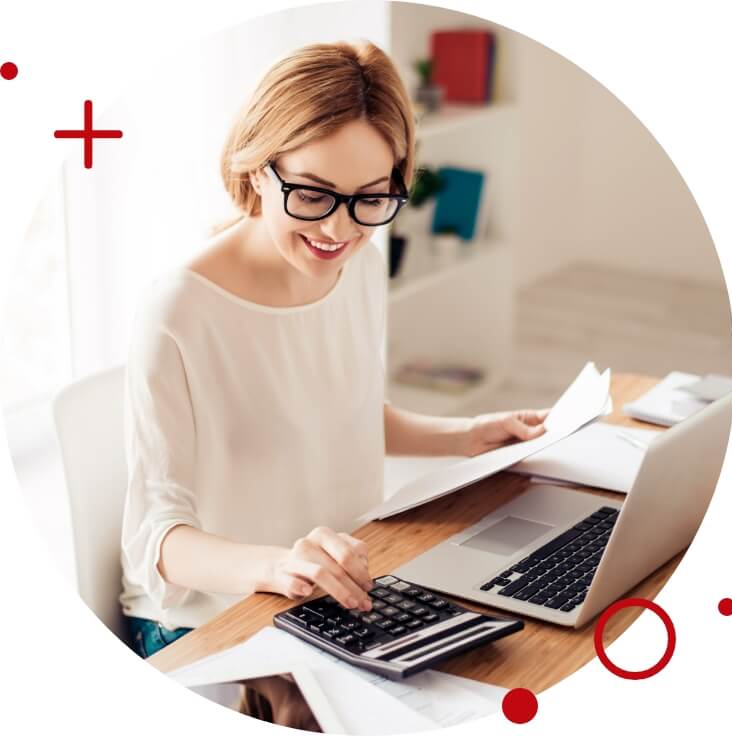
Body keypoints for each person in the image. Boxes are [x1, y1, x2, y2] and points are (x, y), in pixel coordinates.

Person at [120, 39, 549, 661]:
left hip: (336, 601)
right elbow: (154, 540)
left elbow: (344, 415)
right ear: (257, 167)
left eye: (371, 198)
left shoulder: (360, 266)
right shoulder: (179, 310)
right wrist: (279, 565)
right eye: (314, 195)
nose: (338, 229)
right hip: (210, 623)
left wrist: (468, 435)